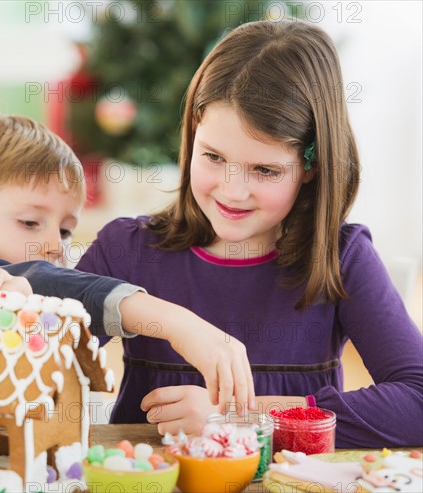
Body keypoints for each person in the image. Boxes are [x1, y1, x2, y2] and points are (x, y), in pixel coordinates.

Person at [75, 20, 423, 447]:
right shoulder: (126, 249)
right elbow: (33, 341)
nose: (232, 190)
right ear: (193, 131)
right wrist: (171, 321)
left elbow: (417, 401)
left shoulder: (341, 258)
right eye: (213, 156)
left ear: (312, 167)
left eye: (265, 169)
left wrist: (239, 417)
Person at [0, 115, 254, 427]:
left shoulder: (21, 317)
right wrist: (172, 321)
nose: (54, 245)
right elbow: (48, 283)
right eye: (30, 222)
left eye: (65, 230)